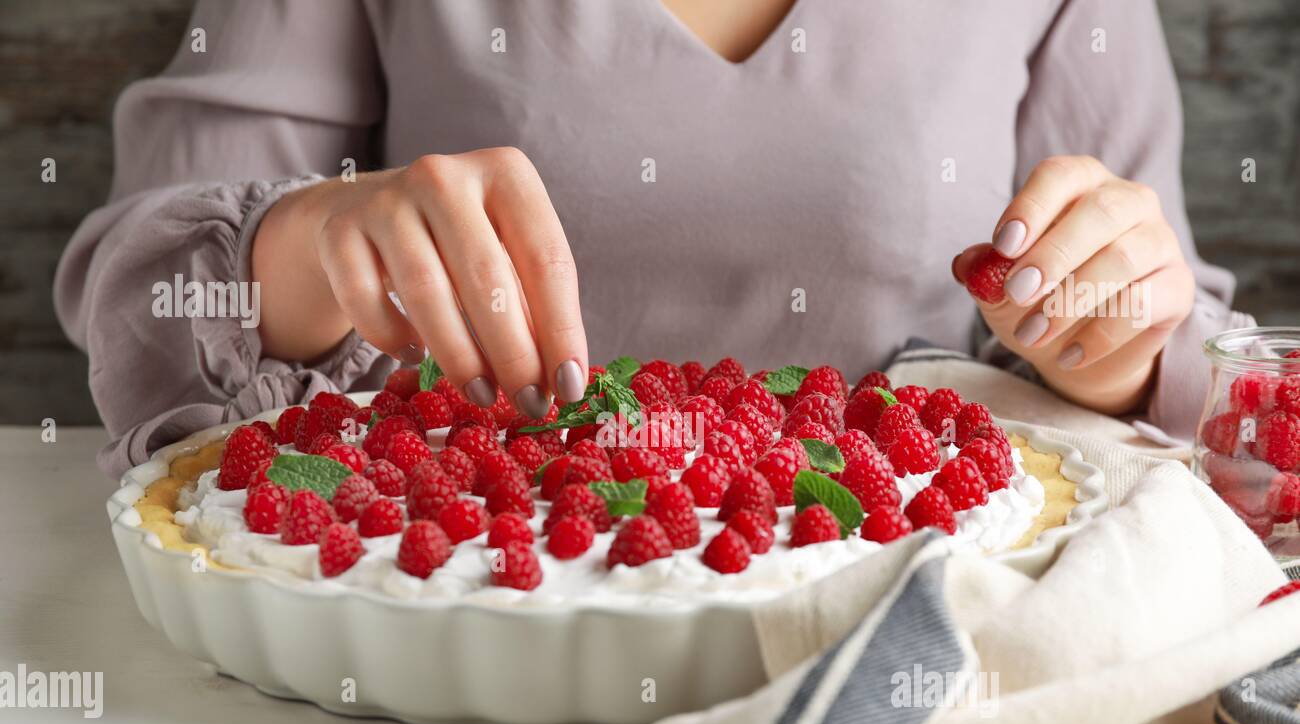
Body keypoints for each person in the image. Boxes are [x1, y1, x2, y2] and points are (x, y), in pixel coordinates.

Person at [56, 0, 1244, 476]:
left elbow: (1181, 351)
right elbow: (142, 290)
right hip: (436, 588)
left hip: (914, 624)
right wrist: (317, 240)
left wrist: (1115, 340)